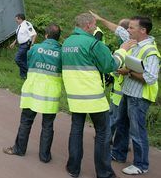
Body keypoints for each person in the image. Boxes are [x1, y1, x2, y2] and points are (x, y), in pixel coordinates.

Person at [62, 13, 134, 178]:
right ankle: (104, 173)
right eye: (94, 25)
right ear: (87, 25)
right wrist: (122, 51)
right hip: (94, 98)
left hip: (74, 97)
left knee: (76, 131)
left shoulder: (66, 42)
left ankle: (73, 168)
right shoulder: (94, 43)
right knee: (103, 134)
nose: (95, 28)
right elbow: (111, 65)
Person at [3, 23, 62, 163]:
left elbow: (28, 62)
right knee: (48, 125)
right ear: (58, 38)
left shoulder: (35, 48)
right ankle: (44, 156)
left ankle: (19, 149)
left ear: (46, 35)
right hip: (50, 94)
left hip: (32, 91)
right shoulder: (61, 52)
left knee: (26, 121)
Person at [111, 16, 159, 175]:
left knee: (137, 130)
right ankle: (118, 153)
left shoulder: (150, 51)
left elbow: (151, 77)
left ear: (143, 30)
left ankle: (141, 164)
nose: (128, 31)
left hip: (139, 97)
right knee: (121, 124)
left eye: (131, 28)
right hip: (128, 91)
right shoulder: (134, 43)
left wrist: (128, 71)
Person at [89, 11, 131, 139]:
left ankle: (107, 138)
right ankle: (119, 141)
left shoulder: (129, 40)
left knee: (116, 115)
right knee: (118, 116)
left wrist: (101, 19)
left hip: (123, 88)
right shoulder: (128, 44)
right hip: (120, 87)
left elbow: (118, 30)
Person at [9, 13, 37, 79]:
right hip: (21, 45)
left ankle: (30, 72)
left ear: (20, 19)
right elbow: (19, 35)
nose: (16, 21)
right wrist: (14, 43)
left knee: (17, 59)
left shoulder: (27, 24)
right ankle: (23, 76)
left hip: (26, 45)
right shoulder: (20, 26)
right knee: (23, 60)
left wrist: (32, 45)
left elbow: (34, 34)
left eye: (17, 20)